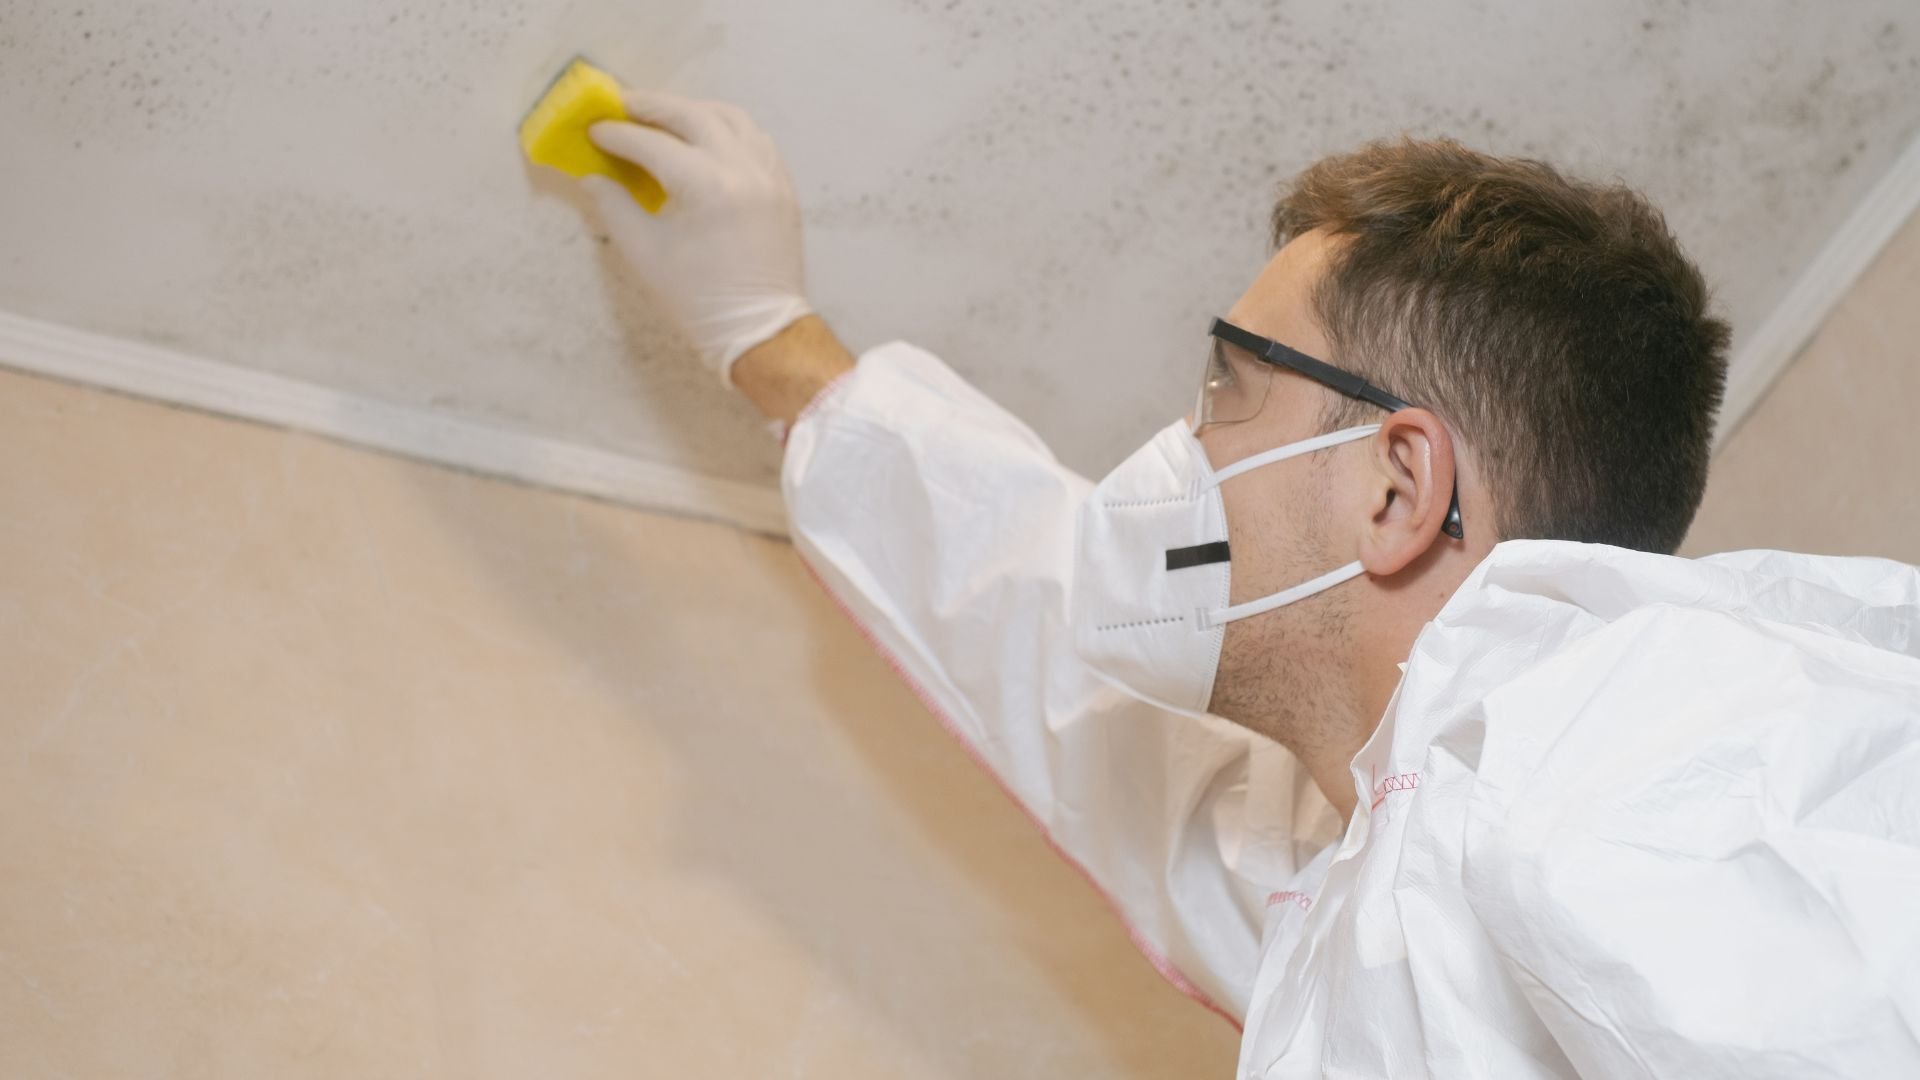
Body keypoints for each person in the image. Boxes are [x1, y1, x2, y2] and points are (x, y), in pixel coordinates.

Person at [569, 89, 1920, 1077]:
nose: (1182, 446)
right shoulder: (1367, 870)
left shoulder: (1648, 761)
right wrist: (770, 339)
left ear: (1397, 491)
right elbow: (1060, 649)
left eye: (1230, 387)